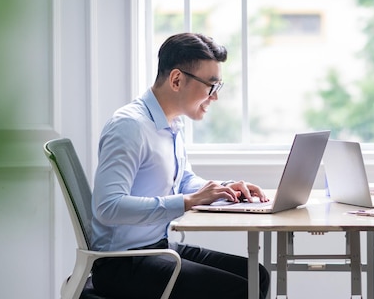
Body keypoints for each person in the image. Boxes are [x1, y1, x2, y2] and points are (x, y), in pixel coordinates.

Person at [90, 32, 270, 299]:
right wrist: (187, 201)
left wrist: (222, 188)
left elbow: (183, 180)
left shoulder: (172, 123)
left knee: (256, 275)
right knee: (240, 289)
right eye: (211, 86)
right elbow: (107, 207)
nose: (214, 97)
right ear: (177, 80)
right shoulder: (129, 127)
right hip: (122, 263)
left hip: (157, 247)